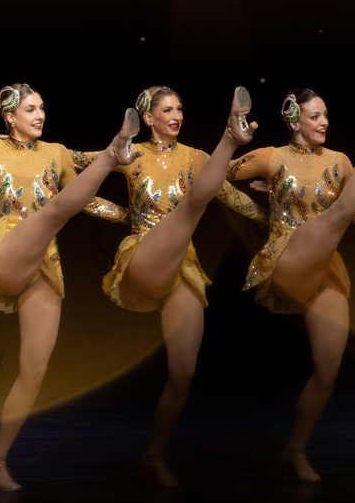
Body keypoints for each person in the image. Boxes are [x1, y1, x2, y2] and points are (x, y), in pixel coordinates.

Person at [0, 83, 142, 491]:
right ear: (10, 117)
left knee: (34, 370)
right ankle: (112, 152)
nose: (40, 115)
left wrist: (127, 216)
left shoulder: (55, 153)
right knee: (52, 211)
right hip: (5, 251)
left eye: (42, 108)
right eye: (30, 109)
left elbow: (82, 198)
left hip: (44, 262)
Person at [73, 85, 260, 487]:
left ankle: (154, 456)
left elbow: (229, 195)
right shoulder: (132, 153)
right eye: (167, 110)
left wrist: (269, 218)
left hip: (181, 266)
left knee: (183, 373)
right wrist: (118, 213)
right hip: (143, 255)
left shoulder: (196, 158)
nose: (176, 115)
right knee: (195, 202)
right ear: (149, 118)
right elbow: (67, 166)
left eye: (180, 109)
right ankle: (231, 133)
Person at [227, 89, 355, 482]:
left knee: (328, 369)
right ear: (294, 121)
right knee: (333, 217)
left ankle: (295, 449)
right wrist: (258, 209)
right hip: (286, 257)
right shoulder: (270, 157)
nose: (324, 122)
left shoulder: (340, 161)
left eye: (326, 115)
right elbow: (214, 179)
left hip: (324, 265)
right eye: (314, 117)